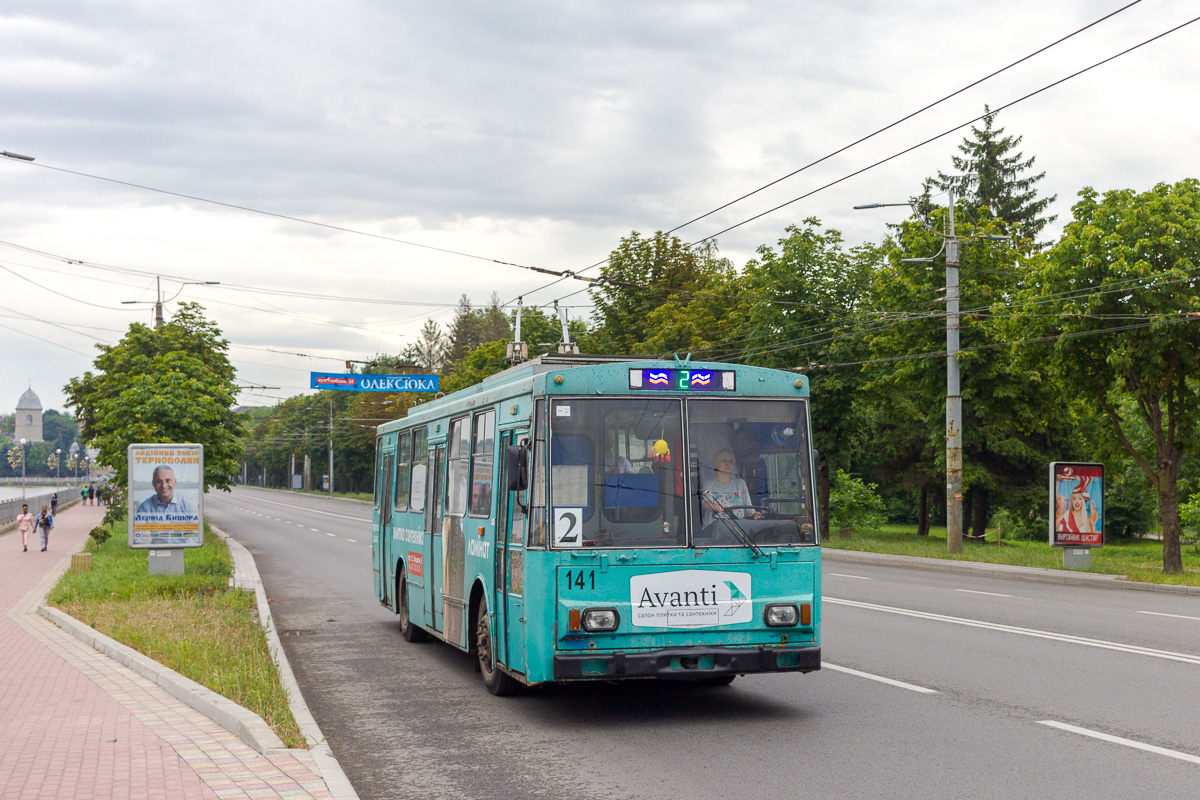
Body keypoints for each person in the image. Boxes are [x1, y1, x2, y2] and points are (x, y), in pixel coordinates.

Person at [700, 448, 762, 526]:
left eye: (730, 461)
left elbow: (748, 509)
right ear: (716, 463)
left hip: (737, 532)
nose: (728, 464)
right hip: (715, 532)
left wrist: (755, 514)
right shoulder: (709, 484)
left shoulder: (740, 483)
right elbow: (705, 503)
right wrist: (716, 507)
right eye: (724, 460)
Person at [731, 427, 769, 505]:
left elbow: (763, 489)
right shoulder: (729, 463)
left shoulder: (760, 462)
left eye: (746, 439)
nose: (743, 444)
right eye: (739, 440)